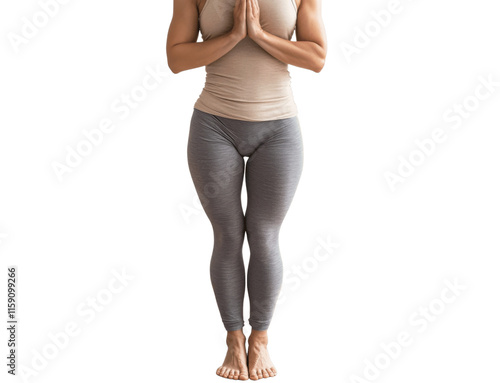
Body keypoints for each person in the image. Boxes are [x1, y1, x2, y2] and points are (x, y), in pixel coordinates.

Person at [166, 0, 327, 379]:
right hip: (213, 127)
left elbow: (316, 57)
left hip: (279, 128)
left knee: (265, 234)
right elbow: (176, 58)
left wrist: (258, 34)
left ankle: (261, 339)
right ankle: (234, 339)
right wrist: (236, 35)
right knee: (227, 235)